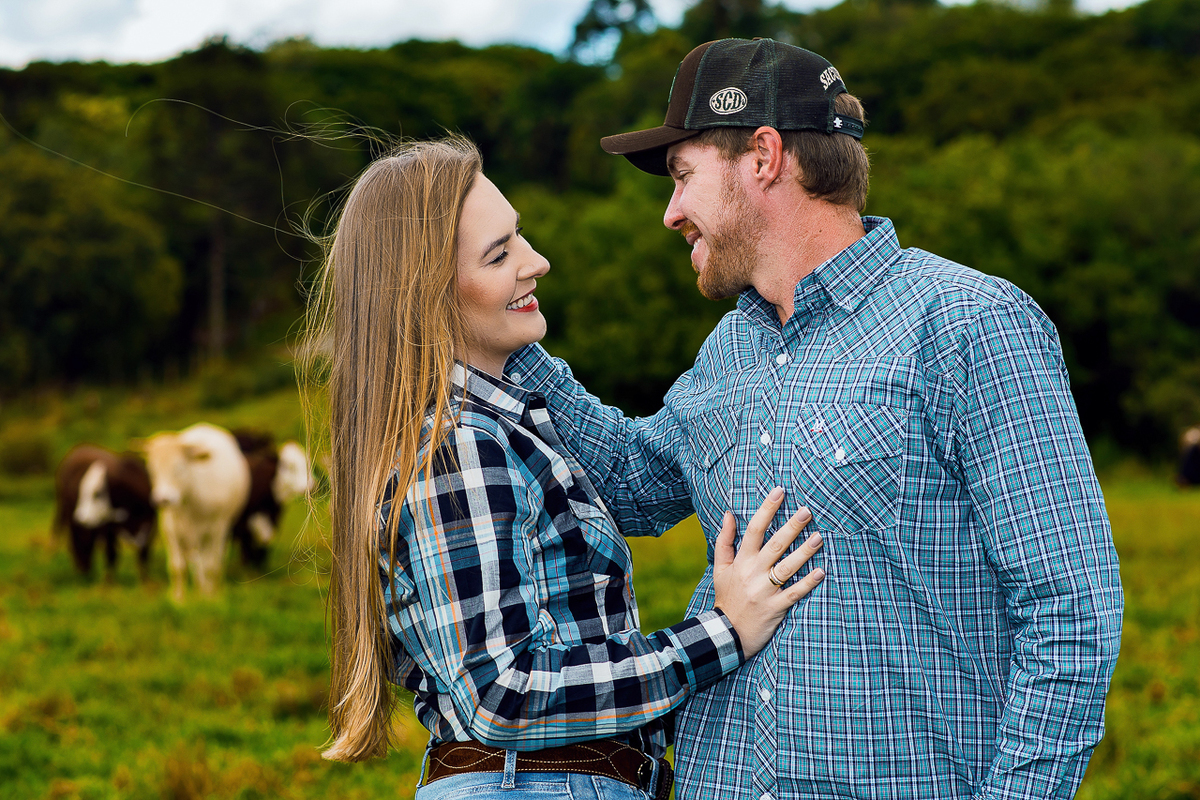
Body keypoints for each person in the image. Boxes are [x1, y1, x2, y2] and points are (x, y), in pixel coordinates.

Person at [507, 38, 1124, 800]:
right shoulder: (730, 348)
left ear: (764, 156)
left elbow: (1072, 613)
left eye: (682, 175)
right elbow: (631, 485)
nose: (671, 213)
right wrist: (505, 332)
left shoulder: (969, 322)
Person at [304, 135, 828, 800]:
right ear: (427, 293)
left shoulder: (496, 427)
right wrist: (721, 634)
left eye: (519, 236)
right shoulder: (463, 447)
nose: (537, 262)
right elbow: (503, 694)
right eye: (499, 255)